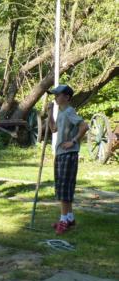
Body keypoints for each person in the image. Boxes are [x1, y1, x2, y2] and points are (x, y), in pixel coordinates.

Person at [47, 85, 89, 234]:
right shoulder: (61, 112)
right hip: (60, 153)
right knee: (62, 187)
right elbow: (53, 129)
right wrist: (50, 112)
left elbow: (84, 126)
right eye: (55, 95)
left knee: (64, 188)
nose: (55, 97)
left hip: (68, 154)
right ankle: (70, 218)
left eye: (57, 95)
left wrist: (73, 141)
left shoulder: (70, 111)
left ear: (67, 97)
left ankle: (63, 221)